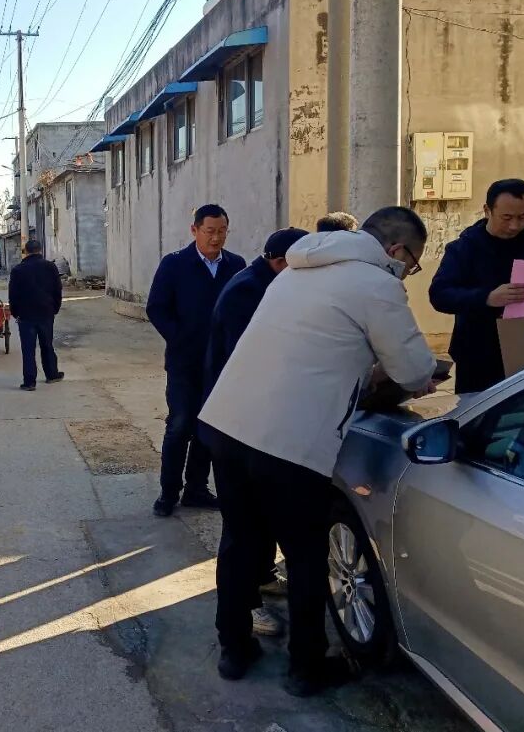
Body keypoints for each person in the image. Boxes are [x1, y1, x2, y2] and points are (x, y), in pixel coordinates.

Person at [199, 207, 437, 696]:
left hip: (228, 423)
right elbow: (415, 370)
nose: (407, 274)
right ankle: (306, 667)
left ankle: (234, 649)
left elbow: (313, 347)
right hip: (288, 440)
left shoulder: (298, 268)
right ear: (396, 251)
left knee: (240, 541)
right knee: (305, 553)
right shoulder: (377, 284)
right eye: (412, 265)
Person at [204, 227, 308, 639]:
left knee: (257, 522)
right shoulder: (249, 292)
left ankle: (260, 579)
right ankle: (244, 612)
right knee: (242, 529)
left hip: (252, 421)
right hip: (237, 423)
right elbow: (252, 360)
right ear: (282, 262)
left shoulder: (263, 282)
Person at [430, 178, 524, 394]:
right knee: (481, 413)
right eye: (506, 217)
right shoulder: (465, 248)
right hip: (479, 353)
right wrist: (487, 298)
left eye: (522, 217)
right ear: (487, 211)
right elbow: (440, 294)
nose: (514, 225)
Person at [146, 204, 247, 517]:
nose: (216, 238)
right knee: (180, 425)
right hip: (184, 365)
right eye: (209, 231)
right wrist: (180, 339)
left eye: (222, 231)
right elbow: (156, 307)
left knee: (208, 429)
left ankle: (196, 489)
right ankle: (168, 492)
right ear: (195, 231)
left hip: (220, 366)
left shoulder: (236, 265)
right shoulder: (175, 264)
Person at [8, 239, 64, 391]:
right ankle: (52, 374)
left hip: (25, 315)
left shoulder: (18, 270)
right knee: (47, 345)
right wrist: (55, 308)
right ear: (40, 250)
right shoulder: (50, 267)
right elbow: (57, 290)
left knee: (28, 349)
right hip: (46, 312)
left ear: (26, 251)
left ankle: (29, 382)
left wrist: (15, 312)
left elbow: (13, 294)